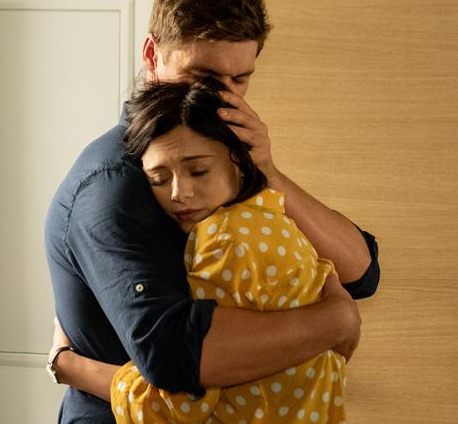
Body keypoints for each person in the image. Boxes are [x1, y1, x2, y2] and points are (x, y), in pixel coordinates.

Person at [44, 0, 379, 422]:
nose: (225, 98)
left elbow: (361, 273)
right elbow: (174, 358)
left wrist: (269, 173)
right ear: (152, 55)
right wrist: (335, 323)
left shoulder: (227, 161)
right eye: (203, 78)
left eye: (240, 79)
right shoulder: (111, 185)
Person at [104, 78, 354, 423]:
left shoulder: (222, 241)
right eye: (159, 180)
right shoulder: (276, 221)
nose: (179, 193)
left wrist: (74, 367)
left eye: (198, 171)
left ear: (238, 159)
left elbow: (187, 398)